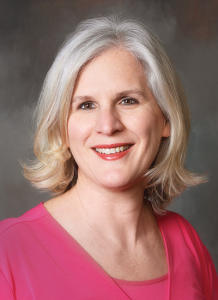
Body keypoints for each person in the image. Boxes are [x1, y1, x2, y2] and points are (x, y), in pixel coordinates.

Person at [0, 15, 217, 300]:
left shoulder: (187, 243)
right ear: (62, 130)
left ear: (166, 119)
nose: (107, 125)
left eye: (128, 100)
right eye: (86, 105)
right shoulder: (8, 252)